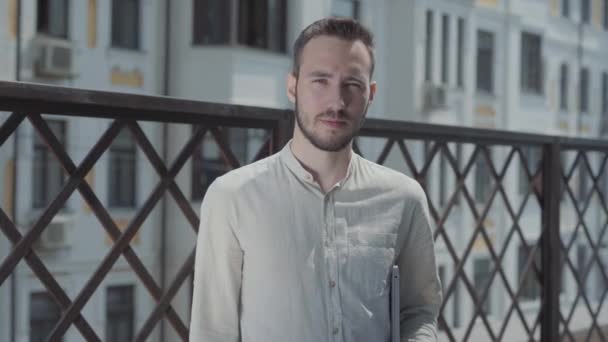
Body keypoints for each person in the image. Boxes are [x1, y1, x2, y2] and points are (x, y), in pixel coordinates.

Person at [189, 17, 442, 342]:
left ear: (371, 94)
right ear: (292, 86)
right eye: (320, 81)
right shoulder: (233, 197)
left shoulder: (404, 198)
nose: (336, 102)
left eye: (352, 84)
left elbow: (420, 310)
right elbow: (213, 331)